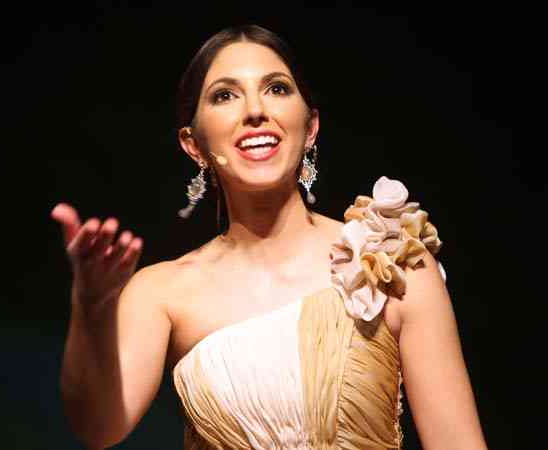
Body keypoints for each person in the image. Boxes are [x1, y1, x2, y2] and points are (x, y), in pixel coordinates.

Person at [52, 24, 488, 450]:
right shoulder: (161, 292)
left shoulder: (389, 260)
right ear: (193, 144)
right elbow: (98, 428)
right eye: (225, 96)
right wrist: (91, 307)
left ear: (310, 126)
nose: (255, 111)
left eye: (277, 89)